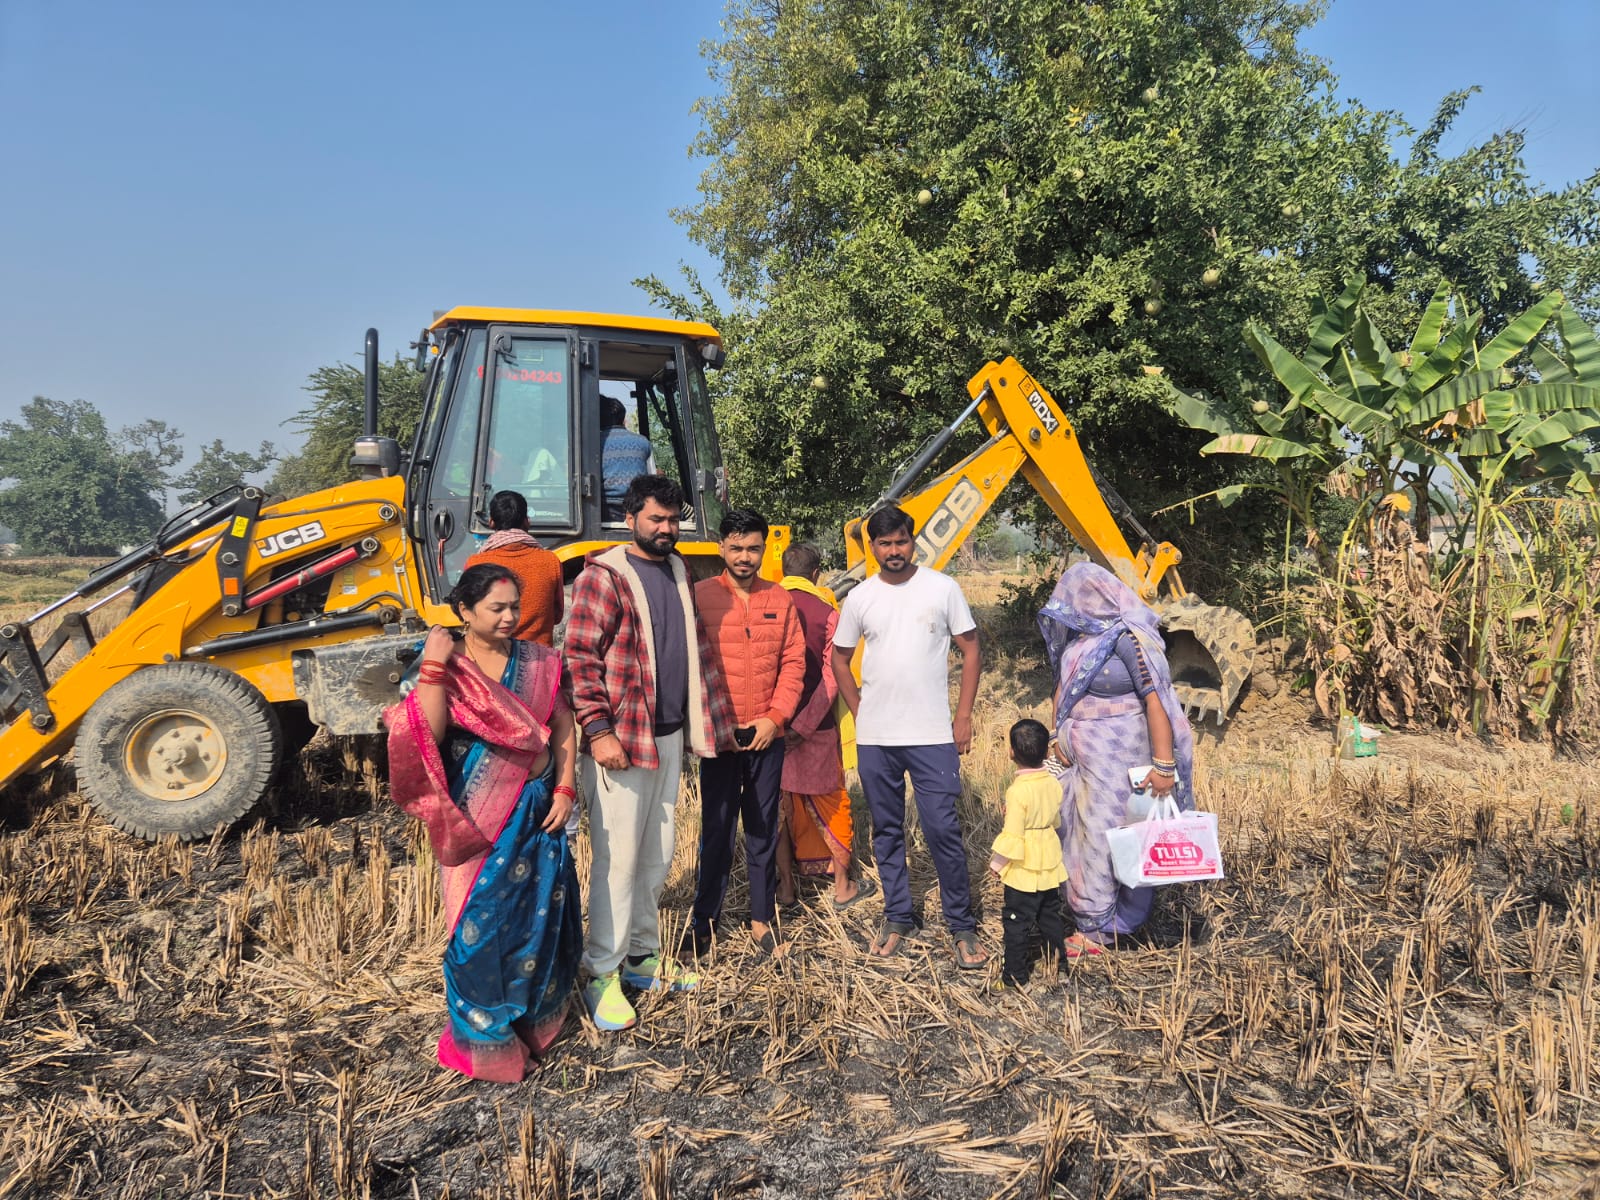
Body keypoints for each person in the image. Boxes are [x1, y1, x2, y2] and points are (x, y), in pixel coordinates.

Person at [384, 563, 581, 1082]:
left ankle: (531, 1026)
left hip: (539, 809)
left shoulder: (539, 662)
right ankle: (486, 1039)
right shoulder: (446, 666)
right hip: (477, 814)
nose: (511, 616)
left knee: (536, 922)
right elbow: (425, 734)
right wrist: (432, 666)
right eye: (498, 608)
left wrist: (565, 786)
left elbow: (562, 723)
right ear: (465, 612)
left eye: (515, 606)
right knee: (476, 931)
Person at [564, 474, 733, 1031]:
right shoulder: (604, 575)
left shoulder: (678, 569)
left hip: (666, 735)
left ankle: (640, 959)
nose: (666, 528)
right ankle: (602, 975)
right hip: (622, 739)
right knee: (618, 862)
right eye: (656, 519)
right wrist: (598, 729)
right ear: (630, 516)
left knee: (656, 856)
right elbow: (581, 659)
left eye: (673, 519)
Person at [830, 505, 990, 970]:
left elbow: (972, 647)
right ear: (871, 548)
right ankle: (898, 915)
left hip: (931, 734)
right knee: (887, 830)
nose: (894, 551)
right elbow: (840, 659)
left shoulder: (942, 588)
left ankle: (961, 924)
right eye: (884, 544)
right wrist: (861, 712)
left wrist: (963, 716)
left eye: (901, 541)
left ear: (912, 540)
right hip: (877, 738)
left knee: (942, 828)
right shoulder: (860, 597)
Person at [1039, 561, 1193, 956]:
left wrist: (1164, 767)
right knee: (1078, 829)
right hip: (1082, 757)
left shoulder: (1129, 638)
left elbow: (1155, 701)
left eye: (1079, 598)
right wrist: (1057, 734)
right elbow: (1063, 687)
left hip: (1121, 755)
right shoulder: (1080, 638)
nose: (1071, 605)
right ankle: (1088, 911)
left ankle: (1106, 928)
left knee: (1114, 835)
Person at [688, 510, 807, 958]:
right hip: (718, 738)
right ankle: (705, 921)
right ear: (721, 548)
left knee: (761, 827)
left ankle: (762, 917)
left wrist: (775, 719)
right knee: (715, 829)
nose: (744, 556)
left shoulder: (780, 598)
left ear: (765, 549)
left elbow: (794, 662)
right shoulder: (699, 597)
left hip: (765, 736)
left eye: (753, 548)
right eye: (736, 547)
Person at [775, 542, 871, 909]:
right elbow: (834, 675)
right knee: (831, 801)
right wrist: (804, 726)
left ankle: (786, 887)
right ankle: (843, 886)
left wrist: (780, 723)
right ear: (816, 574)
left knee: (780, 808)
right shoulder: (828, 612)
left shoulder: (766, 605)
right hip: (816, 730)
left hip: (773, 729)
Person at [989, 719, 1068, 989]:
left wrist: (998, 863)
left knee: (1016, 923)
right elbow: (1054, 819)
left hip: (1024, 869)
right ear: (1047, 752)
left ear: (1011, 752)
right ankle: (1060, 966)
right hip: (1048, 859)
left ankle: (1014, 976)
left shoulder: (1017, 791)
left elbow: (1013, 835)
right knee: (1050, 917)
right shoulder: (1053, 783)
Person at [465, 490, 565, 646]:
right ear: (527, 522)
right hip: (539, 661)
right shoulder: (550, 561)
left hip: (494, 661)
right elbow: (557, 616)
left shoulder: (475, 564)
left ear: (491, 522)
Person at [601, 395, 654, 520]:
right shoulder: (643, 442)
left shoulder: (593, 443)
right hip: (636, 508)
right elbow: (652, 478)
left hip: (603, 510)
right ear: (623, 417)